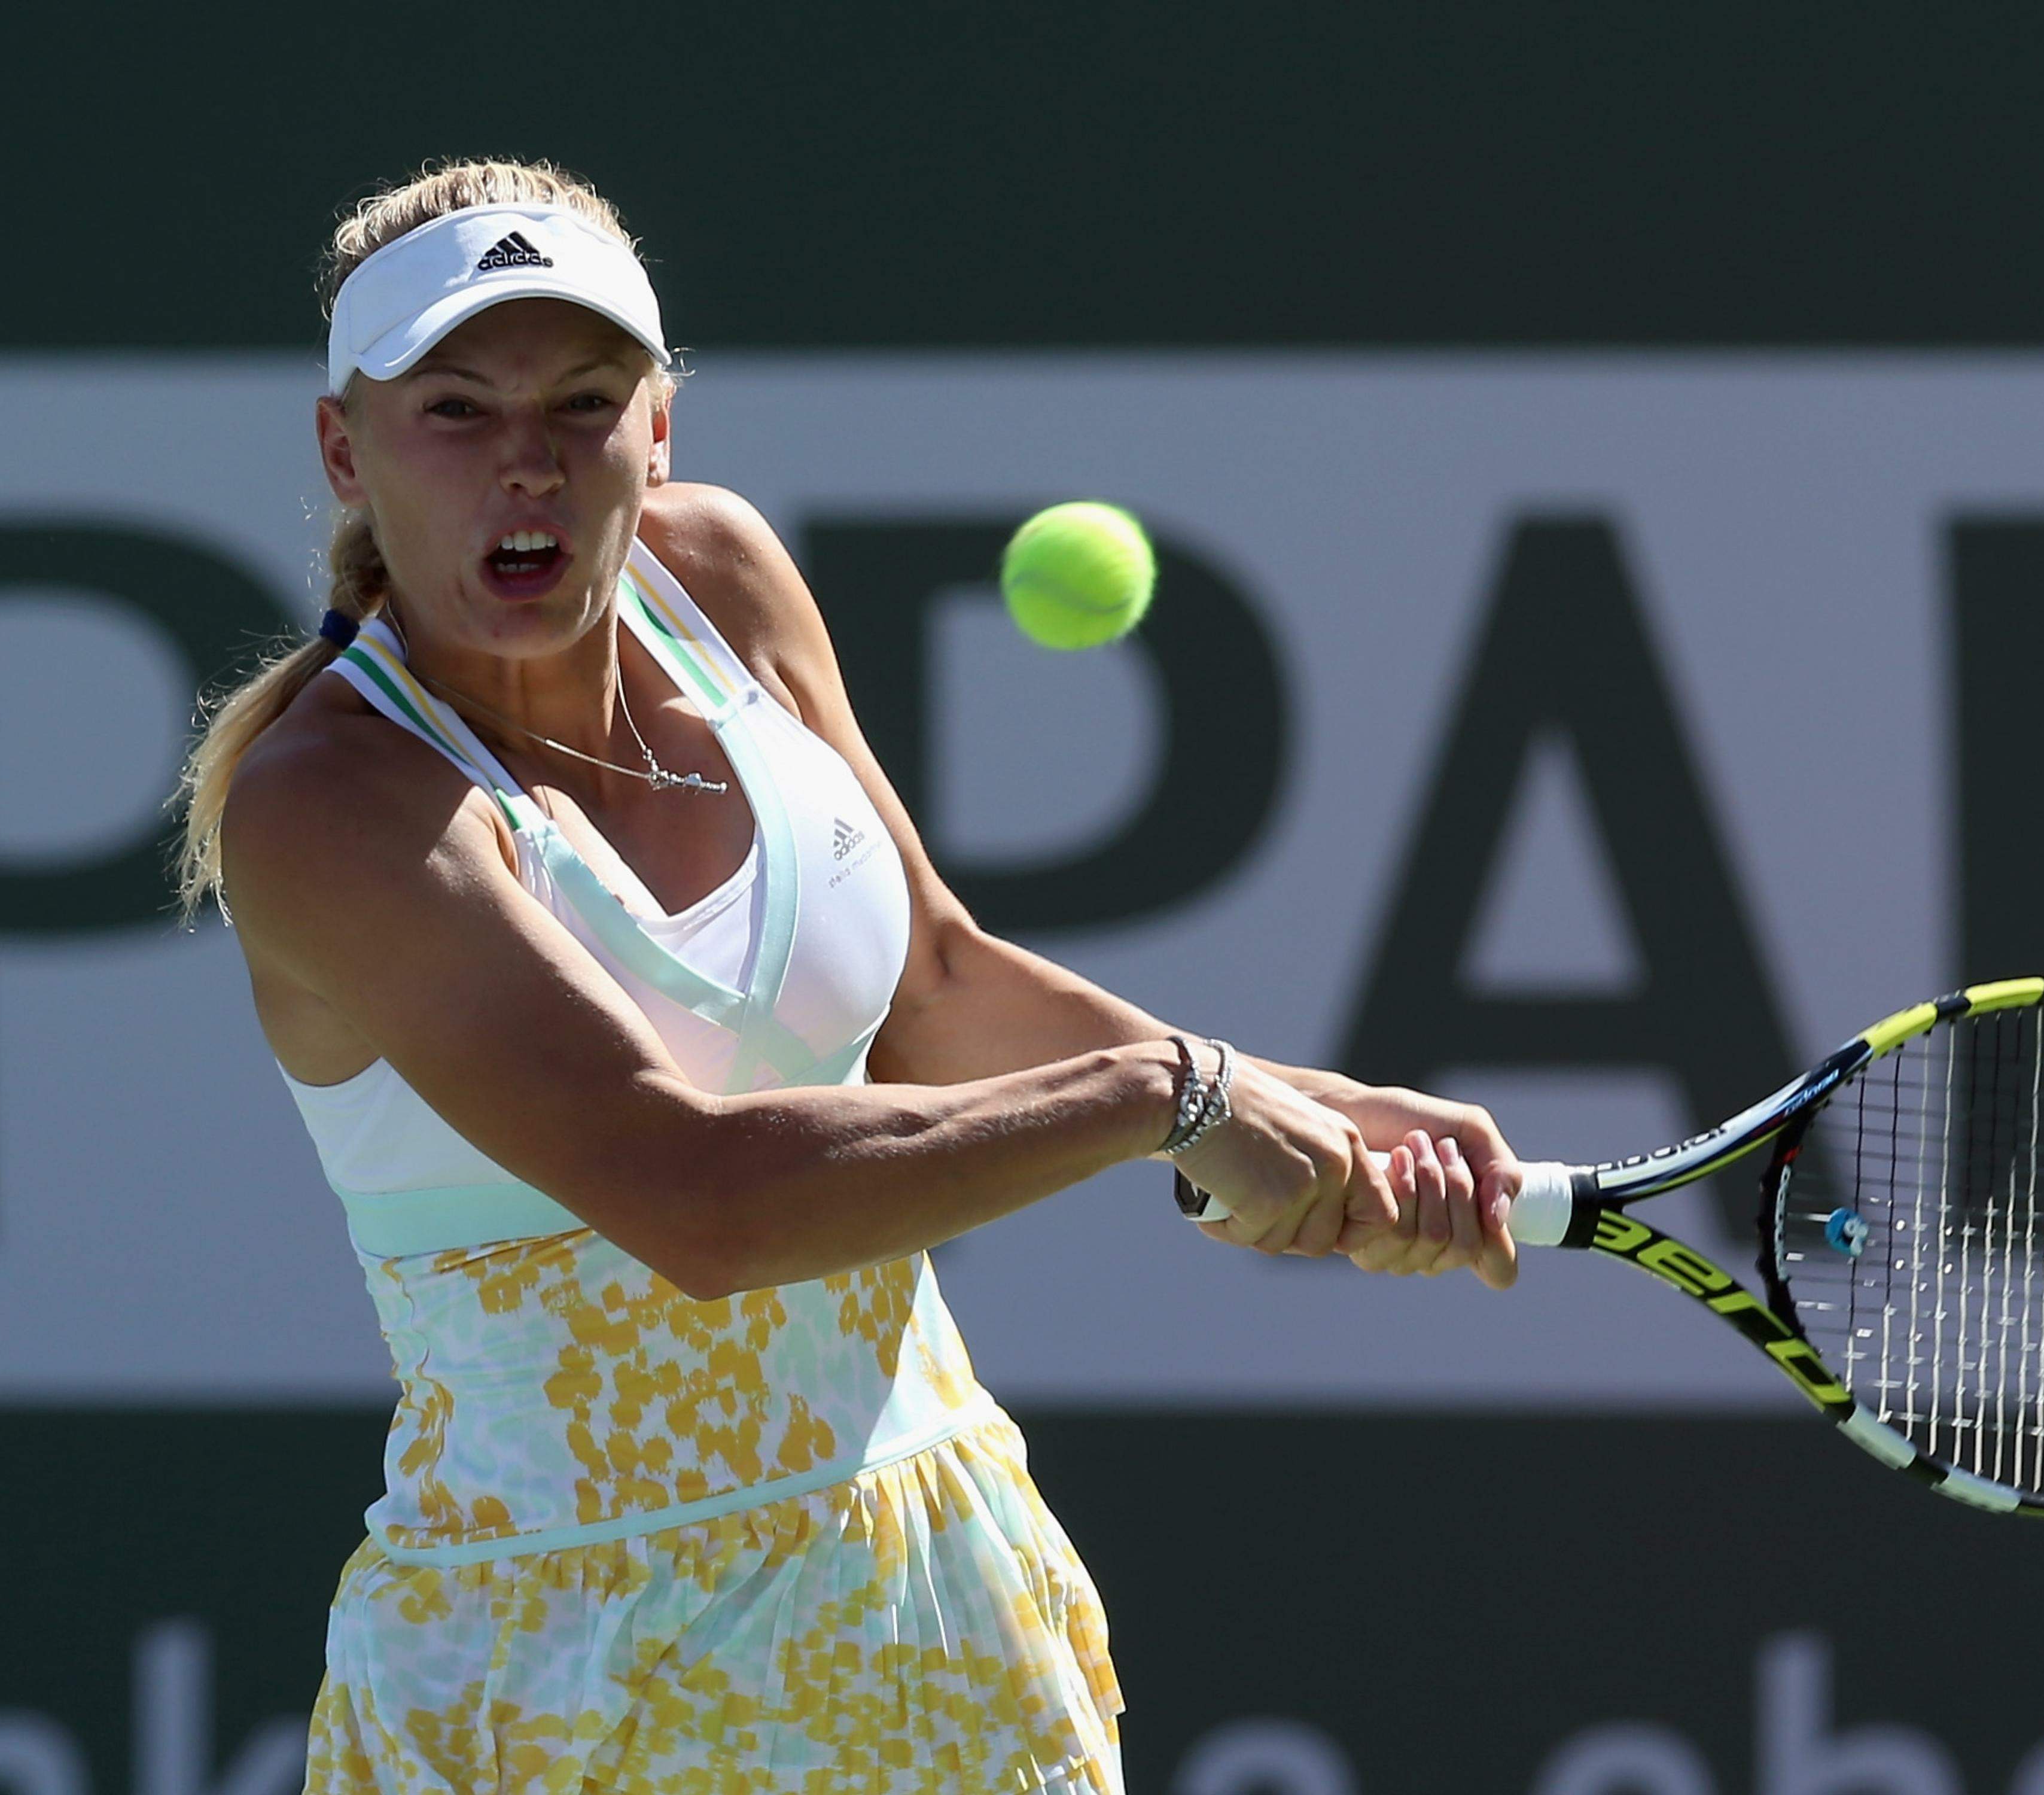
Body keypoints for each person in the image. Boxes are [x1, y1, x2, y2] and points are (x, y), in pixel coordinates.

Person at [175, 157, 1522, 1795]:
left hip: (935, 1611)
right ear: (347, 450)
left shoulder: (718, 578)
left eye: (585, 402)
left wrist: (1302, 1108)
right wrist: (1172, 1100)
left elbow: (936, 989)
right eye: (455, 410)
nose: (526, 461)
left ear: (660, 427)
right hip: (557, 1683)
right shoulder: (333, 805)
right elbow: (699, 1202)